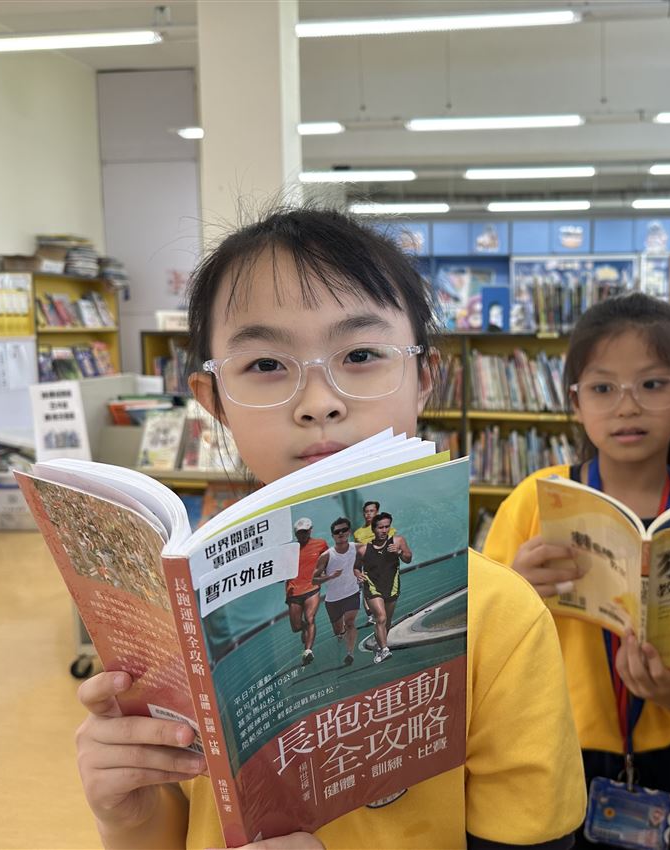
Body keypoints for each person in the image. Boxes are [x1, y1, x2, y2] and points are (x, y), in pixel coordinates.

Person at [72, 206, 586, 850]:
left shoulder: (502, 618)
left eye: (362, 354)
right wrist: (129, 817)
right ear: (213, 401)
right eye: (266, 365)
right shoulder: (180, 612)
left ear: (424, 378)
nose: (319, 403)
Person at [483, 292, 670, 850]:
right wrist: (517, 591)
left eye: (653, 384)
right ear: (575, 402)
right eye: (603, 388)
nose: (627, 406)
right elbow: (476, 641)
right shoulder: (535, 501)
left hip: (665, 765)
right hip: (546, 753)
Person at [311, 516, 364, 666]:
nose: (341, 533)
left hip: (352, 593)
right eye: (337, 531)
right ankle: (341, 635)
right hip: (333, 600)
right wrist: (330, 576)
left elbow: (374, 556)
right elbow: (314, 580)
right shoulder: (326, 556)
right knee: (338, 631)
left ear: (349, 532)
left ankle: (350, 653)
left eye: (344, 530)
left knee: (350, 623)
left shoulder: (358, 548)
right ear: (333, 535)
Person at [359, 511, 411, 664]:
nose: (384, 530)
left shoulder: (398, 541)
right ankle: (384, 649)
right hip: (373, 587)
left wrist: (399, 552)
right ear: (373, 529)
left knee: (386, 621)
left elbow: (408, 558)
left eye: (387, 527)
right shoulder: (363, 549)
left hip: (391, 586)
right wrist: (358, 574)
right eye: (380, 527)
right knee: (380, 617)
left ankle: (379, 647)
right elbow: (355, 567)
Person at [283, 517, 330, 667]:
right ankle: (304, 629)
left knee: (310, 618)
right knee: (296, 627)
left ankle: (308, 651)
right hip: (294, 592)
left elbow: (328, 559)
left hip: (312, 588)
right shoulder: (289, 550)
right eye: (299, 533)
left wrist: (325, 573)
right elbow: (281, 570)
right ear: (295, 534)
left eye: (305, 532)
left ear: (310, 530)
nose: (302, 535)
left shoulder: (320, 544)